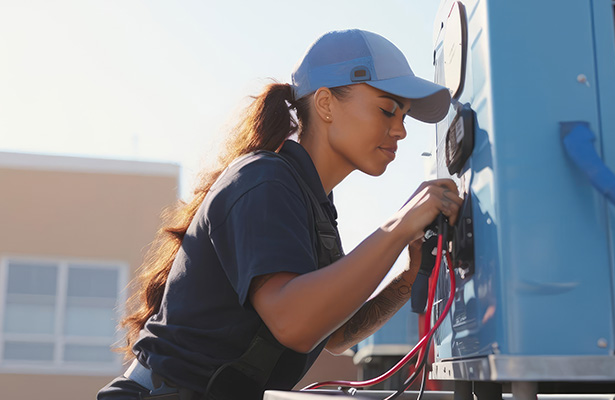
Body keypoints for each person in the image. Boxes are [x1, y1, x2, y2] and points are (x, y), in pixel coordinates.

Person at [97, 29, 462, 400]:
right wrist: (398, 228)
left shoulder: (309, 199)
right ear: (325, 104)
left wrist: (409, 275)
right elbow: (294, 323)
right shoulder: (264, 180)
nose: (400, 130)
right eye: (387, 110)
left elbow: (333, 333)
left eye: (404, 115)